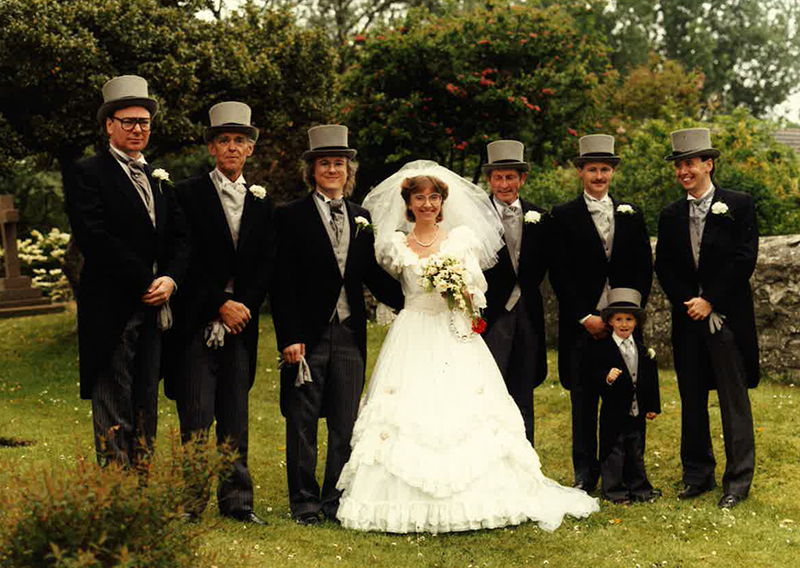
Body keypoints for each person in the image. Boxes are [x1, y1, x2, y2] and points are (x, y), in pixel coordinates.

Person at [335, 160, 599, 534]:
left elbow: (478, 293)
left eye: (433, 198)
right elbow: (386, 288)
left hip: (452, 331)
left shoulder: (461, 240)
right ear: (408, 203)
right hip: (412, 333)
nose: (427, 204)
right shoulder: (395, 245)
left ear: (443, 201)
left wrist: (460, 293)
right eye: (419, 198)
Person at [271, 125, 405, 525]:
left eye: (339, 164)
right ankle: (304, 502)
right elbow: (282, 283)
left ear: (349, 171)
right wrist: (290, 337)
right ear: (312, 170)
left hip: (349, 333)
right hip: (308, 336)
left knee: (345, 423)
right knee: (303, 422)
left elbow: (371, 277)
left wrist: (417, 295)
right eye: (325, 163)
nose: (332, 170)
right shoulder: (290, 216)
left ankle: (334, 499)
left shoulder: (361, 217)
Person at [63, 75, 189, 466]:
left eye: (144, 122)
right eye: (129, 121)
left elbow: (182, 238)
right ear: (109, 125)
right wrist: (145, 279)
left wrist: (170, 278)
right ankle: (116, 490)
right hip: (111, 307)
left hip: (155, 307)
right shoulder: (88, 173)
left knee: (145, 398)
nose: (138, 129)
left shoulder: (159, 177)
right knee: (113, 398)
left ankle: (142, 488)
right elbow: (95, 237)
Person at [163, 102, 274, 524]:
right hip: (198, 321)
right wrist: (217, 305)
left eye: (239, 142)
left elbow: (266, 262)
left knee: (235, 415)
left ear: (249, 150)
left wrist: (243, 305)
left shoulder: (261, 201)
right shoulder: (187, 194)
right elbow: (183, 258)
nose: (231, 148)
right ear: (211, 149)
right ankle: (191, 504)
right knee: (196, 415)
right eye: (223, 141)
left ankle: (238, 502)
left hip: (241, 323)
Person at [654, 128, 759, 509]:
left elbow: (744, 259)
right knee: (692, 398)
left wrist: (711, 300)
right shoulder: (669, 215)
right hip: (688, 321)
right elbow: (664, 265)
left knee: (733, 401)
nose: (684, 171)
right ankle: (697, 475)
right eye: (679, 164)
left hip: (726, 317)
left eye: (691, 163)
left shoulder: (739, 204)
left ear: (708, 164)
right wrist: (690, 302)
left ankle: (737, 481)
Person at [550, 134, 653, 492]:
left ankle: (627, 471)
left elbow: (644, 267)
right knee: (584, 400)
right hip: (584, 325)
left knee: (625, 397)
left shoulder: (630, 213)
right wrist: (585, 316)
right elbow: (559, 273)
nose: (599, 176)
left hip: (622, 326)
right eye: (592, 169)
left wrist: (630, 317)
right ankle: (584, 473)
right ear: (580, 172)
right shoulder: (562, 216)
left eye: (605, 169)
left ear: (612, 172)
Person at [481, 140, 551, 445]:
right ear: (489, 179)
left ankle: (525, 461)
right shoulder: (476, 216)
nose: (505, 184)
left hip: (527, 315)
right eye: (498, 177)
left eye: (511, 177)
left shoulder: (540, 217)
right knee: (489, 390)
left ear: (522, 179)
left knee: (523, 393)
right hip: (491, 315)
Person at [581, 288, 661, 504]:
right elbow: (591, 375)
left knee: (636, 451)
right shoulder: (602, 349)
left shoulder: (643, 351)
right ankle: (614, 491)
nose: (624, 324)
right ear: (610, 322)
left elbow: (650, 382)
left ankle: (640, 489)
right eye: (619, 319)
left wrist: (652, 406)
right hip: (613, 412)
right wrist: (606, 377)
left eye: (629, 319)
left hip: (636, 411)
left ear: (636, 322)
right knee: (613, 452)